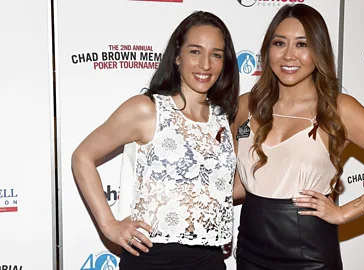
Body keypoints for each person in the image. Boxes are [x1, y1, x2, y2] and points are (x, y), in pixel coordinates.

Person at [232, 4, 364, 270]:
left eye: (302, 44)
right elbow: (239, 184)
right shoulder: (246, 105)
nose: (289, 55)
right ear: (267, 50)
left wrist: (345, 212)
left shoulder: (339, 108)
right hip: (251, 244)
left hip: (309, 248)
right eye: (280, 43)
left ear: (318, 51)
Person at [71, 11, 239, 270]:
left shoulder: (223, 119)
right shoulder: (147, 109)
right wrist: (109, 226)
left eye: (216, 54)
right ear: (177, 56)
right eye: (195, 51)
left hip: (210, 260)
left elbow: (226, 189)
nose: (206, 64)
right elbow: (82, 157)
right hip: (151, 259)